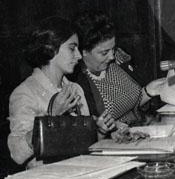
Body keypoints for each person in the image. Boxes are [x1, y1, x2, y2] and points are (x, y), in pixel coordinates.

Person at [7, 17, 113, 167]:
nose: (79, 55)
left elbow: (83, 147)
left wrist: (100, 131)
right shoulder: (24, 93)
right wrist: (51, 117)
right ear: (50, 48)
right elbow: (17, 154)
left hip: (79, 172)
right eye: (72, 48)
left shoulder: (75, 89)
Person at [73, 11, 165, 125]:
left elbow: (130, 105)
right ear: (84, 52)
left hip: (139, 127)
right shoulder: (78, 83)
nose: (111, 56)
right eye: (104, 52)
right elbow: (94, 126)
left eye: (113, 49)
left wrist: (148, 91)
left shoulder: (118, 60)